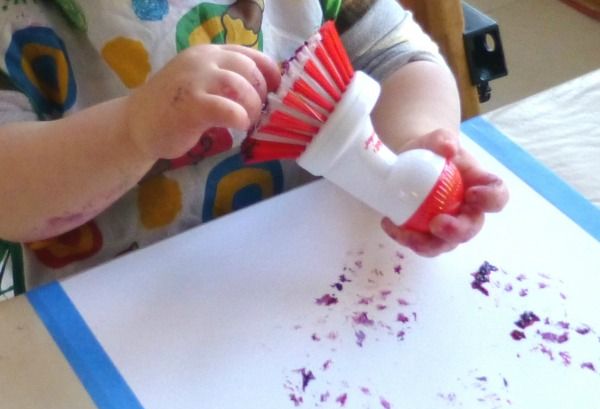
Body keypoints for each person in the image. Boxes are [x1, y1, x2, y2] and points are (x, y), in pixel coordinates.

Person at [0, 0, 508, 296]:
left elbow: (396, 56)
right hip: (112, 317)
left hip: (307, 281)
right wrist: (131, 130)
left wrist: (418, 142)